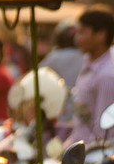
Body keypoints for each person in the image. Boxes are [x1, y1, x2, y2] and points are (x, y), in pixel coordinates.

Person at [67, 8, 114, 145]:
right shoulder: (88, 63)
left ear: (101, 35)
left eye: (82, 33)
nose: (77, 39)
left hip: (92, 158)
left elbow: (104, 132)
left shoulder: (107, 76)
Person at [39, 22, 86, 124]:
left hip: (61, 106)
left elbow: (38, 76)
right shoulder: (86, 56)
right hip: (82, 106)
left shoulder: (54, 57)